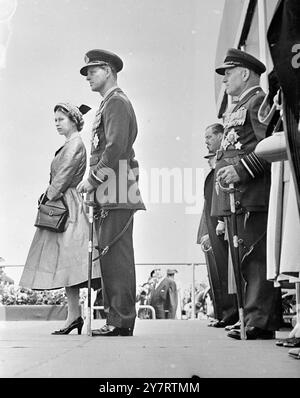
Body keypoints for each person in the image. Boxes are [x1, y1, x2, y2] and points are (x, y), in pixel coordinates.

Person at [211, 48, 282, 340]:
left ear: (245, 73)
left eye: (228, 73)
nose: (224, 79)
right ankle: (250, 315)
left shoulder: (258, 102)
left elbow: (270, 144)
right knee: (244, 257)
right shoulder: (238, 106)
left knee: (256, 257)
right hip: (237, 194)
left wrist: (242, 169)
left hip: (254, 190)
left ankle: (260, 319)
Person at [77, 49, 145, 337]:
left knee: (115, 256)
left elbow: (115, 149)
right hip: (110, 189)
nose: (88, 77)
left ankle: (120, 320)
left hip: (116, 189)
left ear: (108, 71)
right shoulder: (108, 104)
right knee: (110, 256)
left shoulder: (116, 102)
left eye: (93, 71)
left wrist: (93, 178)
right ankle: (116, 318)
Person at [19, 102, 101, 334]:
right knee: (67, 263)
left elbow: (62, 176)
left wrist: (47, 197)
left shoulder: (75, 144)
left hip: (67, 207)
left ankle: (74, 316)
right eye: (55, 120)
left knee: (69, 261)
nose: (56, 123)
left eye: (61, 119)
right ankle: (74, 316)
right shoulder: (70, 144)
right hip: (65, 204)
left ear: (73, 121)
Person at [197, 141, 238, 328]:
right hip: (214, 228)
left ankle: (230, 314)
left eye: (211, 158)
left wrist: (220, 221)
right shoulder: (212, 176)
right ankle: (224, 314)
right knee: (218, 275)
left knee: (225, 271)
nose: (210, 162)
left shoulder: (218, 174)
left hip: (221, 225)